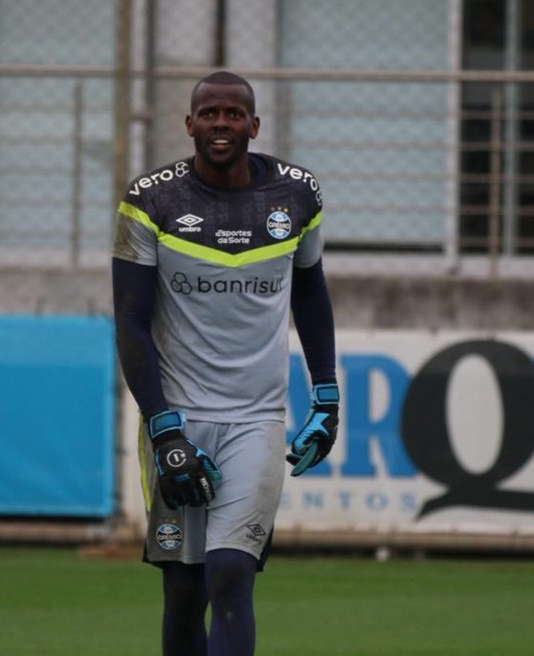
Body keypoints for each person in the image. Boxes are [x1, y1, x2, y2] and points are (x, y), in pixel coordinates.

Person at [111, 70, 339, 656]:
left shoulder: (298, 196)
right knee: (185, 595)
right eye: (208, 113)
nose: (220, 124)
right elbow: (131, 323)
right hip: (177, 419)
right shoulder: (148, 202)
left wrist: (327, 397)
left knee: (231, 574)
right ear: (189, 124)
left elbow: (310, 293)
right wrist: (164, 430)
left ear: (254, 125)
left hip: (257, 420)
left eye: (233, 114)